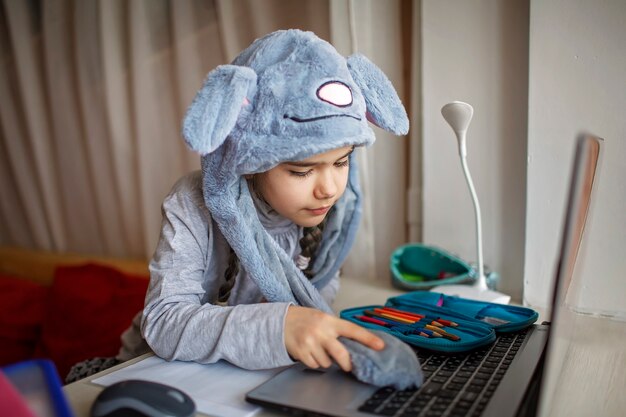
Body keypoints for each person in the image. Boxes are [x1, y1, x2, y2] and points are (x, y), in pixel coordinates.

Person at [111, 29, 422, 389]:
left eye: (342, 162)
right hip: (151, 378)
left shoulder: (328, 212)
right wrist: (281, 326)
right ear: (250, 160)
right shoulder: (191, 202)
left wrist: (302, 332)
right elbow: (164, 323)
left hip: (249, 379)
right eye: (301, 170)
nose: (329, 188)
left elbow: (322, 291)